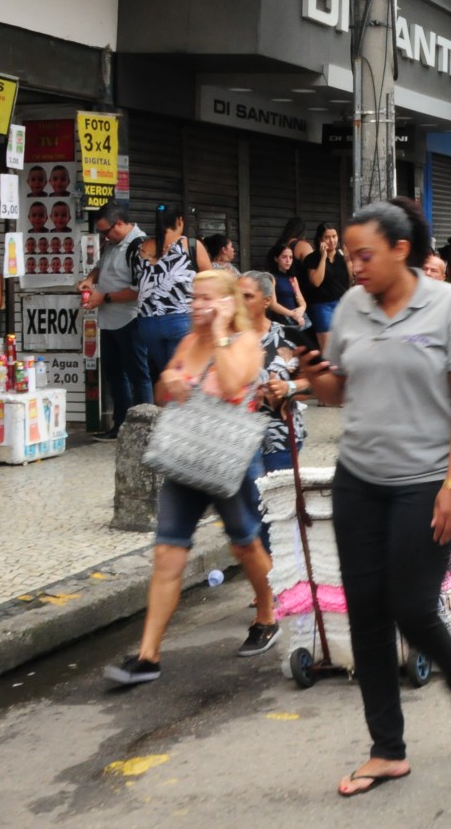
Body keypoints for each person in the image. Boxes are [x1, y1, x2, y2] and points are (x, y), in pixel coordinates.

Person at [301, 200, 451, 796]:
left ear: (401, 250)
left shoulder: (449, 306)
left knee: (411, 603)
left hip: (426, 480)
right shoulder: (354, 307)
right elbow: (340, 389)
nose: (352, 266)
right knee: (366, 613)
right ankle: (387, 748)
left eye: (364, 255)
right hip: (359, 478)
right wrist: (311, 377)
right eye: (349, 254)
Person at [103, 269, 278, 685]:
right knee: (168, 552)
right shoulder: (186, 341)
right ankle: (148, 655)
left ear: (228, 303)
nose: (196, 305)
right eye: (194, 297)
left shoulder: (246, 340)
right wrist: (167, 381)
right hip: (185, 459)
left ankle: (268, 614)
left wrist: (219, 332)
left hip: (228, 461)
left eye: (206, 298)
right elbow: (164, 395)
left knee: (245, 544)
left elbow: (236, 381)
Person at [239, 270, 302, 555]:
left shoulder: (286, 337)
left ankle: (282, 579)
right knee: (251, 506)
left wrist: (288, 386)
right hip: (238, 436)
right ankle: (266, 583)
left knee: (278, 506)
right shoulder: (227, 339)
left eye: (248, 296)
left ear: (266, 301)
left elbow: (315, 380)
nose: (240, 301)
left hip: (279, 432)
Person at [81, 201, 149, 439]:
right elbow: (101, 266)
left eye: (106, 231)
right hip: (108, 321)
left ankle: (143, 430)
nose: (104, 236)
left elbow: (140, 290)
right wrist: (90, 280)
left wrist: (105, 297)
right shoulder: (113, 241)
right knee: (114, 375)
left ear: (119, 223)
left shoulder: (140, 246)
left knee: (138, 376)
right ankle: (120, 425)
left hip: (130, 320)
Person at [133, 207, 212, 393]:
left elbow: (138, 284)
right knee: (183, 377)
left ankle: (168, 415)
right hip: (180, 319)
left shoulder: (142, 248)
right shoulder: (190, 244)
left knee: (167, 375)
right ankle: (181, 417)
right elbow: (211, 280)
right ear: (179, 221)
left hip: (147, 323)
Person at [296, 223, 351, 349]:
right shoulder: (312, 258)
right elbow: (316, 281)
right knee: (327, 347)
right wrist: (323, 258)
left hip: (341, 302)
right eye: (328, 237)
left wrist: (348, 260)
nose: (332, 241)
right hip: (321, 304)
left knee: (342, 343)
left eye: (334, 236)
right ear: (321, 239)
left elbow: (351, 279)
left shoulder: (341, 256)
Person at [265, 239, 308, 328]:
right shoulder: (271, 277)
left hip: (295, 319)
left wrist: (301, 310)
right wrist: (292, 314)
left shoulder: (292, 278)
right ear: (276, 259)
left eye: (291, 257)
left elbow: (301, 301)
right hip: (280, 319)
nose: (288, 260)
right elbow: (273, 304)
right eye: (284, 257)